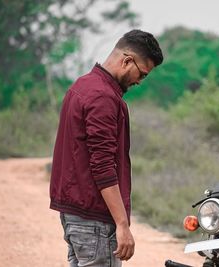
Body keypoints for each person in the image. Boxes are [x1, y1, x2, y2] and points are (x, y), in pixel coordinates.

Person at [49, 29, 163, 267]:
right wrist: (122, 224)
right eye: (141, 73)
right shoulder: (103, 97)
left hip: (75, 216)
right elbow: (102, 165)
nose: (140, 81)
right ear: (127, 60)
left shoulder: (82, 86)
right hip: (94, 220)